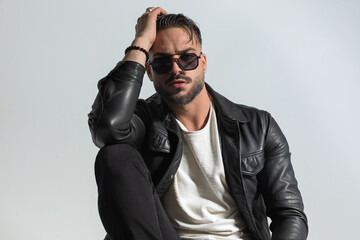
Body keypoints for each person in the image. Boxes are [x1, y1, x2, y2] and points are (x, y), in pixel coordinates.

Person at [88, 7, 308, 240]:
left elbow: (290, 214)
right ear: (149, 72)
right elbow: (108, 128)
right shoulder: (143, 120)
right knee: (114, 155)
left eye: (187, 58)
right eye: (162, 63)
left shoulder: (257, 126)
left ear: (203, 62)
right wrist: (141, 42)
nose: (176, 69)